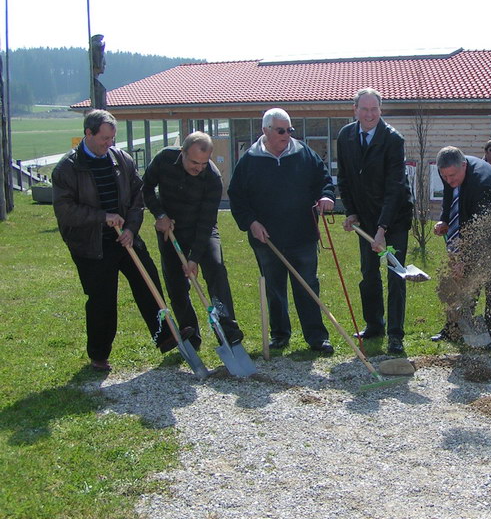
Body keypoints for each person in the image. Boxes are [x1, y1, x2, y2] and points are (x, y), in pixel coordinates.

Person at [52, 109, 190, 372]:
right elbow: (65, 211)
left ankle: (167, 336)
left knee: (148, 283)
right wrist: (102, 217)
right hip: (91, 244)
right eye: (104, 138)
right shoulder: (68, 168)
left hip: (126, 238)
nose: (109, 144)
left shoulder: (121, 159)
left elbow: (137, 198)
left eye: (112, 138)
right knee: (102, 299)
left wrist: (130, 228)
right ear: (88, 134)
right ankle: (99, 354)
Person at [228, 108, 335, 354]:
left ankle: (317, 337)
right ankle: (280, 335)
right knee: (275, 289)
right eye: (281, 130)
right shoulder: (250, 159)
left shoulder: (303, 152)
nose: (286, 134)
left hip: (302, 234)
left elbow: (324, 179)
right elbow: (237, 197)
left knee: (307, 286)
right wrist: (251, 223)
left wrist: (326, 196)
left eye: (289, 130)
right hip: (267, 239)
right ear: (265, 131)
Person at [142, 132, 243, 348]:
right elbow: (146, 188)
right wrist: (159, 214)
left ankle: (228, 330)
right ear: (182, 153)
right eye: (194, 162)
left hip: (201, 229)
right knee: (176, 283)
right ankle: (190, 334)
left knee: (216, 270)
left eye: (204, 163)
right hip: (170, 229)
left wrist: (194, 258)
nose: (199, 168)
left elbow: (207, 222)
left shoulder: (213, 178)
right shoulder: (163, 159)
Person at [336, 88, 414, 355]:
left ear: (381, 110)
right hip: (366, 219)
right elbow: (345, 178)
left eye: (375, 109)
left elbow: (395, 187)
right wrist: (351, 212)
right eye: (365, 109)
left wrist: (382, 229)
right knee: (368, 274)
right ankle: (374, 324)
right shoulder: (345, 136)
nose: (370, 114)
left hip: (395, 220)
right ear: (355, 110)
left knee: (395, 275)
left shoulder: (392, 139)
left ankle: (395, 334)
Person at [432, 146, 491, 350]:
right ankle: (453, 329)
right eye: (444, 176)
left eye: (452, 175)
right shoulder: (450, 171)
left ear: (464, 165)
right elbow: (450, 195)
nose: (449, 180)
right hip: (475, 223)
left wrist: (465, 259)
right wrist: (444, 220)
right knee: (460, 279)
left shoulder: (483, 182)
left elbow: (480, 231)